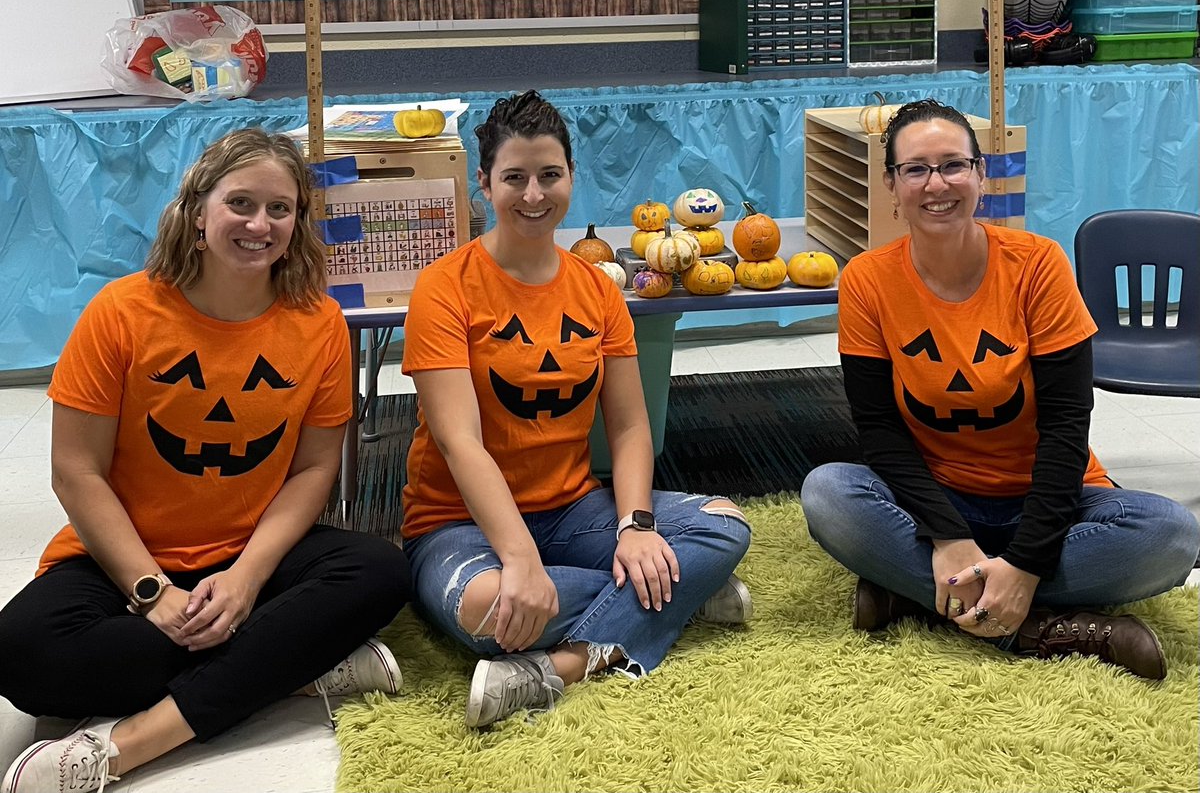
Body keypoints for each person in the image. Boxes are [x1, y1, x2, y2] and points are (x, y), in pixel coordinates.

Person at [0, 128, 411, 793]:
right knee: (20, 654)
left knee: (384, 570)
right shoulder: (121, 313)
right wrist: (152, 591)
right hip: (126, 559)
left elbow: (313, 471)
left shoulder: (318, 324)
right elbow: (76, 470)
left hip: (251, 556)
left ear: (299, 222)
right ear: (198, 209)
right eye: (241, 203)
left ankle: (135, 741)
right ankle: (294, 662)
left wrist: (248, 579)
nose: (261, 223)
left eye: (281, 209)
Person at [801, 99, 1200, 679]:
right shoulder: (867, 280)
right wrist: (949, 536)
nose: (937, 184)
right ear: (891, 185)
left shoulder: (1039, 265)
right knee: (827, 493)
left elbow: (1067, 426)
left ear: (981, 176)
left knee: (1170, 535)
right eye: (916, 169)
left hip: (1049, 499)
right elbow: (880, 432)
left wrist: (1030, 559)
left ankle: (916, 595)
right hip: (936, 499)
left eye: (953, 165)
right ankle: (1037, 627)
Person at [401, 90, 753, 728]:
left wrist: (637, 526)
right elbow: (460, 443)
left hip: (572, 510)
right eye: (514, 178)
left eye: (549, 176)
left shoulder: (596, 288)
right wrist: (519, 560)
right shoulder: (444, 287)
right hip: (457, 525)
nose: (533, 195)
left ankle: (559, 666)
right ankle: (681, 596)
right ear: (484, 184)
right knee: (488, 610)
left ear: (571, 178)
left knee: (724, 525)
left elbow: (628, 424)